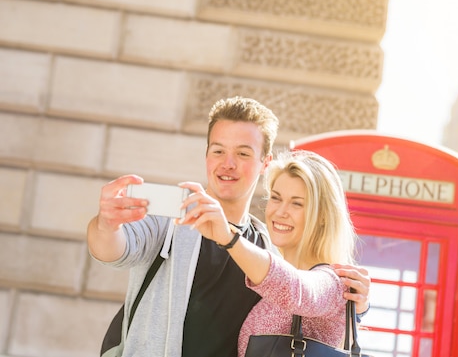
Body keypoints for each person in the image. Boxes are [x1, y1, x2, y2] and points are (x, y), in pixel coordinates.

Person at [87, 96, 370, 357]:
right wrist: (106, 224)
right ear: (207, 154)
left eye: (243, 154)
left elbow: (303, 292)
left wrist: (356, 307)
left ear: (264, 163)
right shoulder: (172, 219)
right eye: (218, 150)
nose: (228, 164)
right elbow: (113, 250)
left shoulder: (268, 249)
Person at [178, 150, 357, 356]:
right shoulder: (270, 279)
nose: (280, 211)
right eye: (276, 198)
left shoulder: (335, 284)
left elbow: (296, 290)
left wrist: (229, 238)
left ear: (323, 216)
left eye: (297, 203)